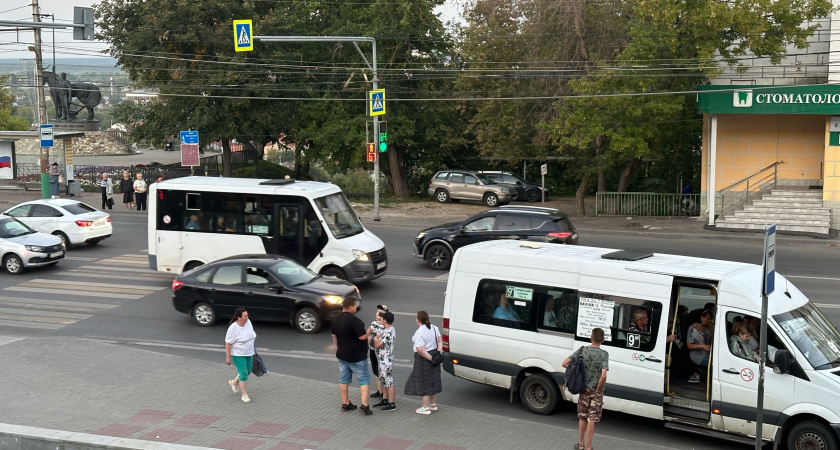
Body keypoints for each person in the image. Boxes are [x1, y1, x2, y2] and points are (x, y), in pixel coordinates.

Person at [562, 327, 609, 450]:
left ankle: (581, 444)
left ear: (591, 338)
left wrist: (578, 373)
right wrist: (598, 389)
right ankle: (589, 447)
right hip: (596, 390)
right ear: (603, 340)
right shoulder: (604, 354)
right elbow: (603, 376)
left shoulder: (582, 350)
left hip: (583, 388)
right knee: (591, 418)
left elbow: (564, 363)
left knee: (582, 416)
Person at [331, 297, 373, 415]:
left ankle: (345, 403)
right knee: (364, 380)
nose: (355, 307)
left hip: (342, 355)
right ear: (350, 306)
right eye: (355, 305)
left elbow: (334, 335)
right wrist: (369, 330)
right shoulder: (354, 320)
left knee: (343, 379)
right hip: (357, 356)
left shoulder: (335, 318)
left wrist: (338, 347)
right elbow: (362, 337)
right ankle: (364, 405)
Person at [404, 310, 443, 415]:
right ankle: (432, 404)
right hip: (435, 354)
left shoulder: (420, 332)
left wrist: (430, 358)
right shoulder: (435, 328)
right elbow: (440, 340)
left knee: (424, 382)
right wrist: (438, 352)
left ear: (418, 320)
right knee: (434, 380)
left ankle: (425, 408)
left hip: (424, 359)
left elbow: (420, 350)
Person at [225, 308, 256, 403]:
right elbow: (228, 343)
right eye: (245, 316)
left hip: (249, 352)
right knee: (243, 374)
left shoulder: (248, 323)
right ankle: (244, 395)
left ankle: (234, 382)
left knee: (248, 371)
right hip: (238, 354)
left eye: (247, 315)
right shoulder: (233, 329)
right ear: (239, 318)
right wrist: (228, 357)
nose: (247, 318)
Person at [372, 310, 396, 411]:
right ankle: (385, 399)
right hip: (382, 360)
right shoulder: (386, 330)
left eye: (382, 318)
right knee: (383, 380)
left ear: (385, 320)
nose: (381, 320)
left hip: (386, 361)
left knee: (388, 381)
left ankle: (392, 403)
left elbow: (377, 344)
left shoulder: (389, 332)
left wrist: (376, 338)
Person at [368, 305, 388, 402]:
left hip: (380, 352)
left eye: (380, 312)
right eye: (377, 311)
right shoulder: (374, 323)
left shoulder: (385, 325)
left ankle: (383, 393)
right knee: (375, 371)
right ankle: (379, 390)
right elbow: (369, 333)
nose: (378, 313)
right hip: (372, 350)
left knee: (381, 372)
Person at [686, 309, 713, 383]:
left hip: (707, 353)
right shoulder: (692, 328)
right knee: (714, 363)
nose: (708, 320)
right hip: (698, 355)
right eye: (707, 318)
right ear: (701, 317)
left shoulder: (706, 328)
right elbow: (689, 345)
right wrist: (703, 346)